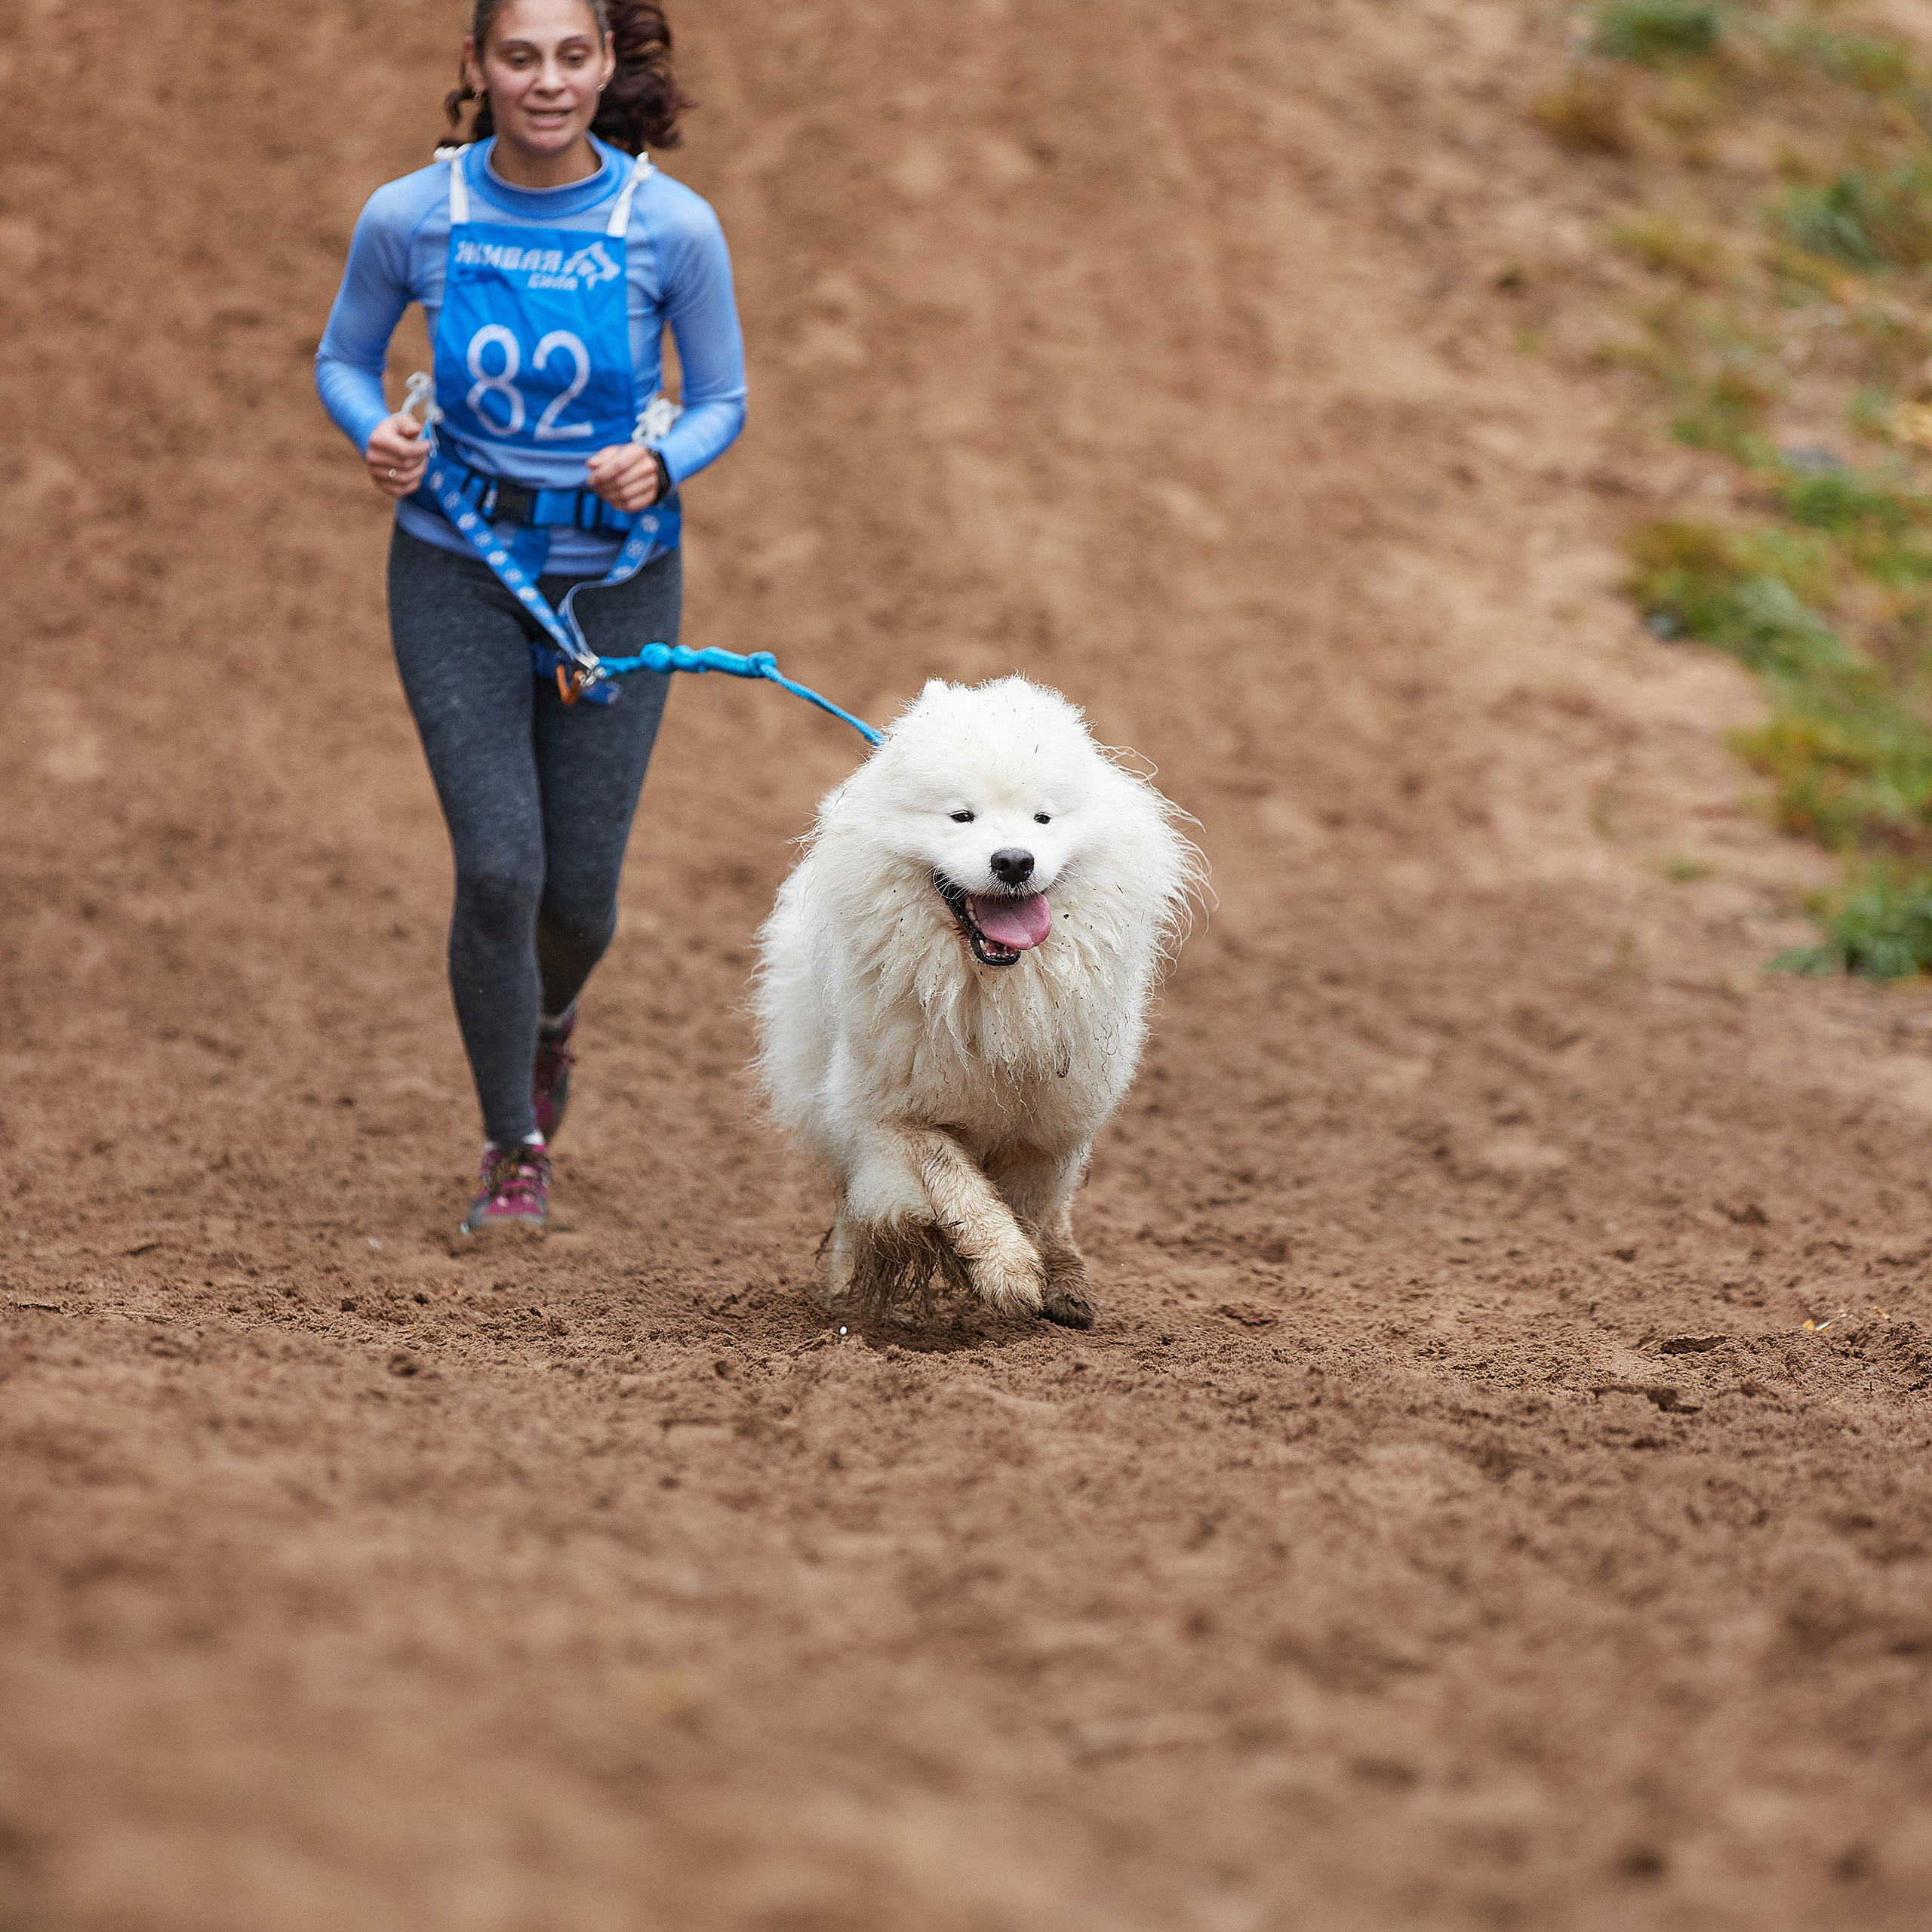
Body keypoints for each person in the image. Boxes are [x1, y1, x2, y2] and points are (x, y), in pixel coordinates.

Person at [315, 0, 745, 1235]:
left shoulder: (673, 226)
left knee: (581, 904)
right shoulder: (414, 215)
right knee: (501, 868)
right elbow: (343, 359)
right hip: (454, 565)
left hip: (617, 579)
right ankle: (516, 1145)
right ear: (477, 67)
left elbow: (721, 395)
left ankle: (551, 1023)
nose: (546, 82)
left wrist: (665, 466)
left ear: (606, 64)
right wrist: (376, 432)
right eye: (520, 56)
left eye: (571, 55)